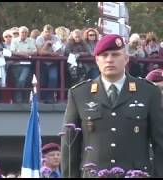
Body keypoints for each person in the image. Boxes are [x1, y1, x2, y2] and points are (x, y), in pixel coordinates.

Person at [61, 34, 163, 178]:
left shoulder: (148, 92)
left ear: (126, 58)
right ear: (97, 60)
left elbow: (160, 143)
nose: (109, 59)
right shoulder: (79, 93)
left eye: (115, 54)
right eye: (104, 55)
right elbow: (69, 145)